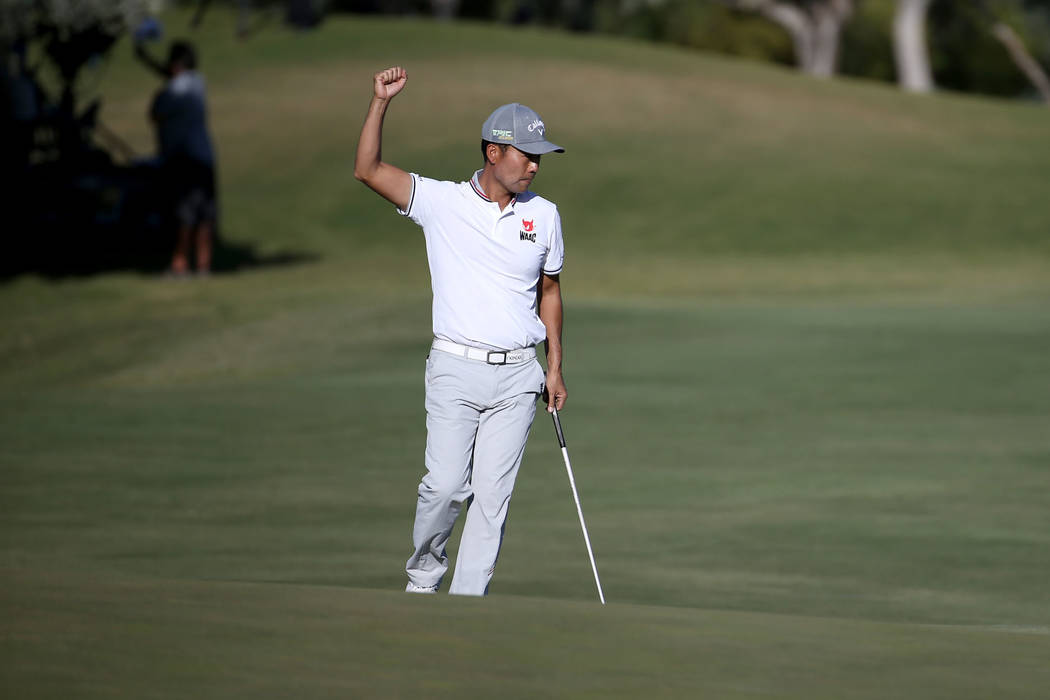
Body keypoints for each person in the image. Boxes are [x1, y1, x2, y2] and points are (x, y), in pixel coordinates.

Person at [354, 66, 569, 596]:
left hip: (518, 376)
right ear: (493, 152)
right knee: (445, 487)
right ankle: (422, 583)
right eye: (526, 154)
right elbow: (368, 169)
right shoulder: (442, 202)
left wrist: (555, 366)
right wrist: (380, 102)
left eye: (539, 157)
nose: (535, 165)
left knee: (493, 501)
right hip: (455, 368)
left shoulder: (544, 216)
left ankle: (467, 606)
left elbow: (550, 292)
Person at [136, 39, 218, 276]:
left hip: (183, 159)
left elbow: (154, 115)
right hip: (204, 157)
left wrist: (143, 57)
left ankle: (180, 264)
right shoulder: (198, 82)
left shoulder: (170, 93)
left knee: (184, 215)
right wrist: (148, 60)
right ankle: (204, 265)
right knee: (205, 214)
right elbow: (169, 74)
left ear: (174, 65)